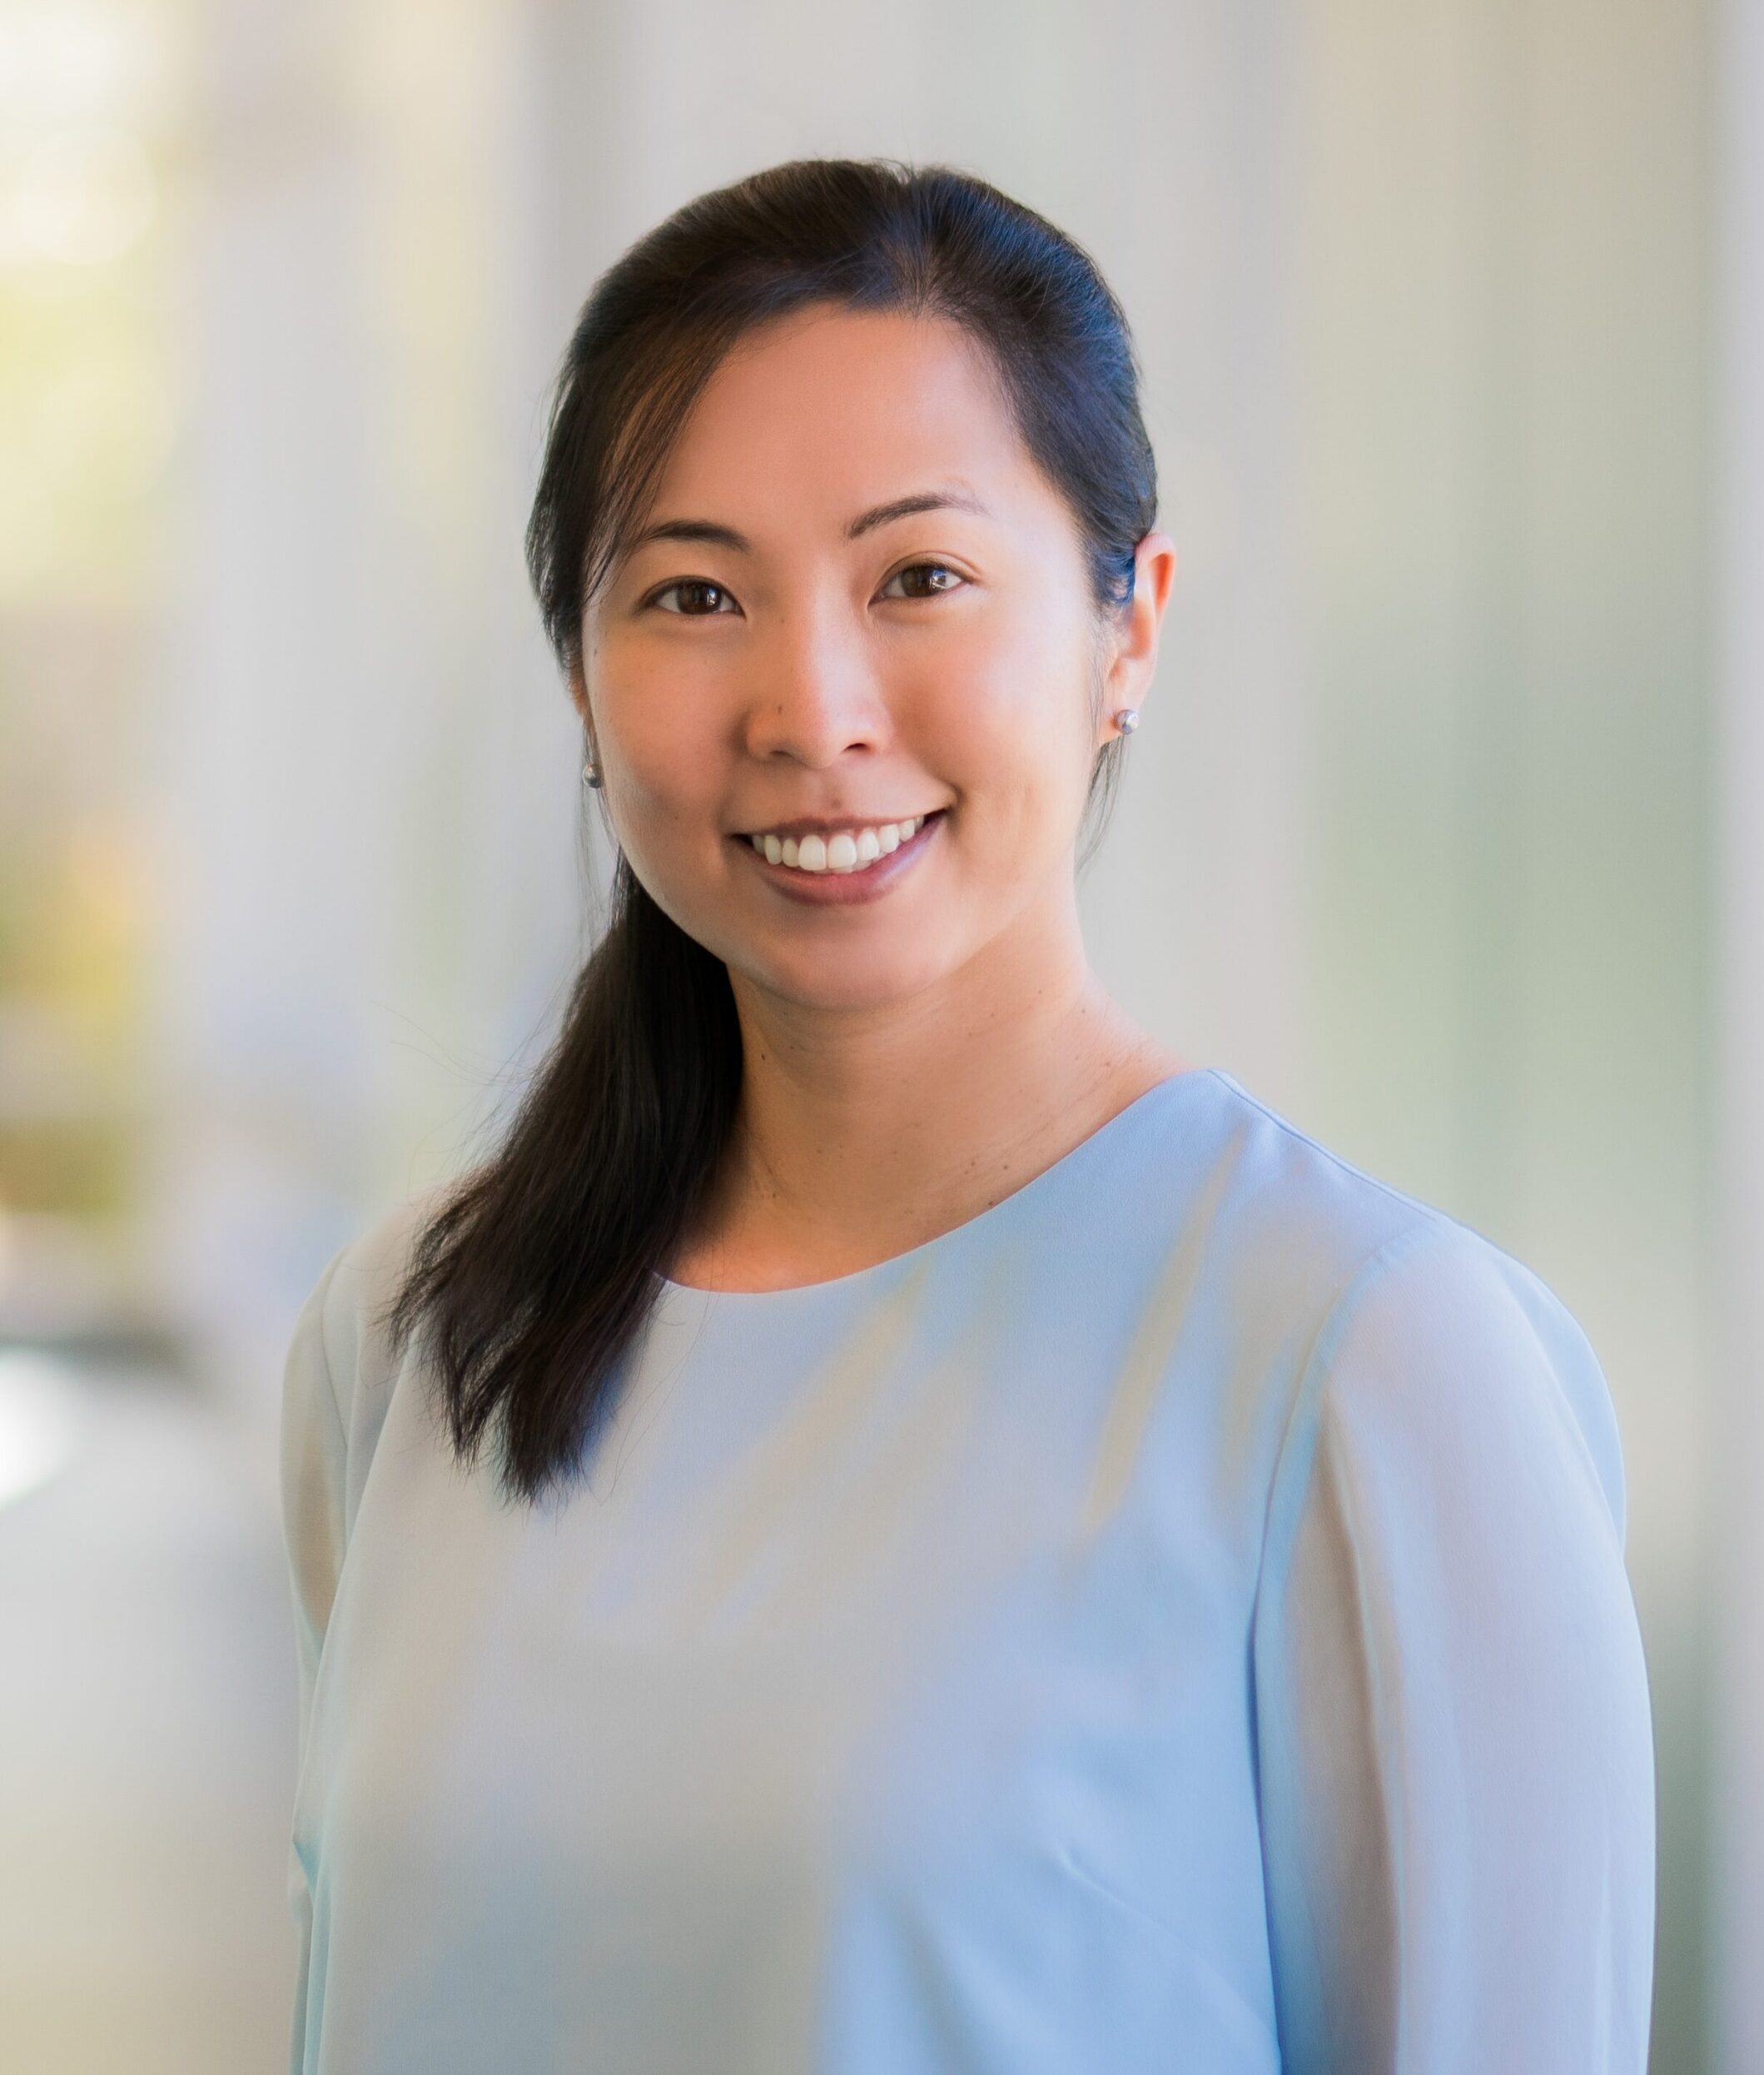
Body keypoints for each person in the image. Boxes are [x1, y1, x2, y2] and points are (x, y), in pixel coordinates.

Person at [278, 157, 1655, 2074]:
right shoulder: (417, 1330)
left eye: (917, 576)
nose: (807, 703)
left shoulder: (1366, 1362)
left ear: (1128, 630)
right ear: (581, 684)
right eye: (691, 593)